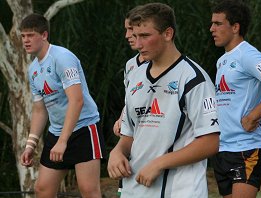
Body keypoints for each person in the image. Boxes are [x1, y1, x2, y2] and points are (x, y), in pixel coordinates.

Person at [107, 3, 220, 198]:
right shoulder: (135, 76)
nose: (138, 44)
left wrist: (160, 163)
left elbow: (210, 141)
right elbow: (129, 134)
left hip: (180, 191)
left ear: (168, 34)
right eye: (135, 36)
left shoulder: (193, 79)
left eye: (145, 36)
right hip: (134, 189)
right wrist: (116, 152)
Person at [209, 0, 261, 198]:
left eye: (218, 23)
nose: (211, 28)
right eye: (212, 23)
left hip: (246, 148)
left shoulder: (248, 55)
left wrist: (253, 116)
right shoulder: (222, 60)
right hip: (222, 148)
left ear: (235, 27)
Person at [20, 13, 106, 198]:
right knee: (42, 189)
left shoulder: (62, 57)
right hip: (57, 133)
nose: (26, 40)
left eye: (30, 35)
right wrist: (30, 145)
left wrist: (63, 141)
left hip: (84, 129)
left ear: (44, 35)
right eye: (23, 36)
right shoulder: (33, 69)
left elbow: (77, 100)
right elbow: (39, 109)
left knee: (88, 190)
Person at [113, 7, 147, 137]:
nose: (127, 35)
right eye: (126, 29)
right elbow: (130, 99)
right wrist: (122, 119)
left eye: (131, 29)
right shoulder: (130, 64)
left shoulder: (163, 65)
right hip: (133, 138)